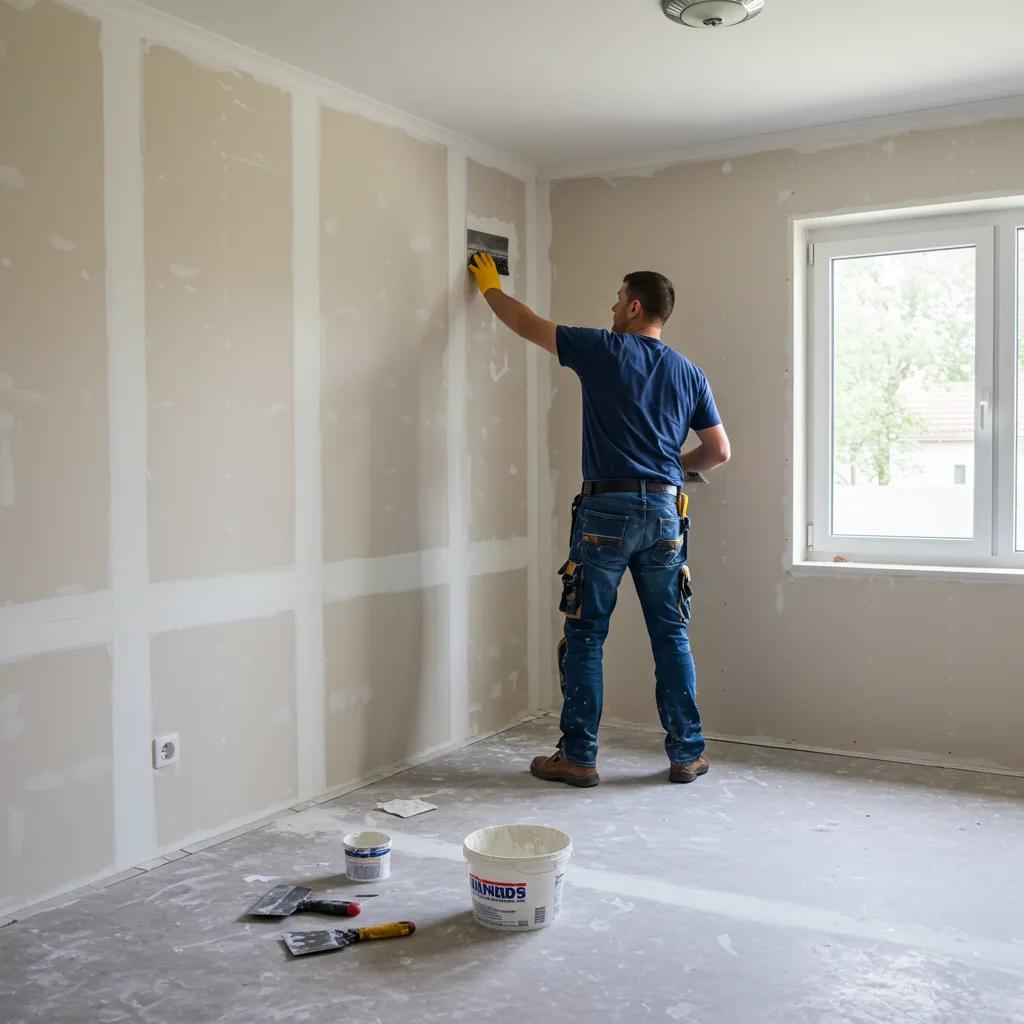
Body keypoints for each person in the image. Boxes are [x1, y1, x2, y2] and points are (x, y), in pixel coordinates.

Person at [468, 253, 730, 788]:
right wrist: (669, 468)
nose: (611, 306)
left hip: (605, 512)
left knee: (586, 634)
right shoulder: (689, 372)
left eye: (617, 298)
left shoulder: (603, 349)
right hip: (664, 514)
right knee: (671, 636)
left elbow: (524, 323)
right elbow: (718, 452)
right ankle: (687, 753)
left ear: (634, 307)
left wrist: (490, 288)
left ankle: (579, 756)